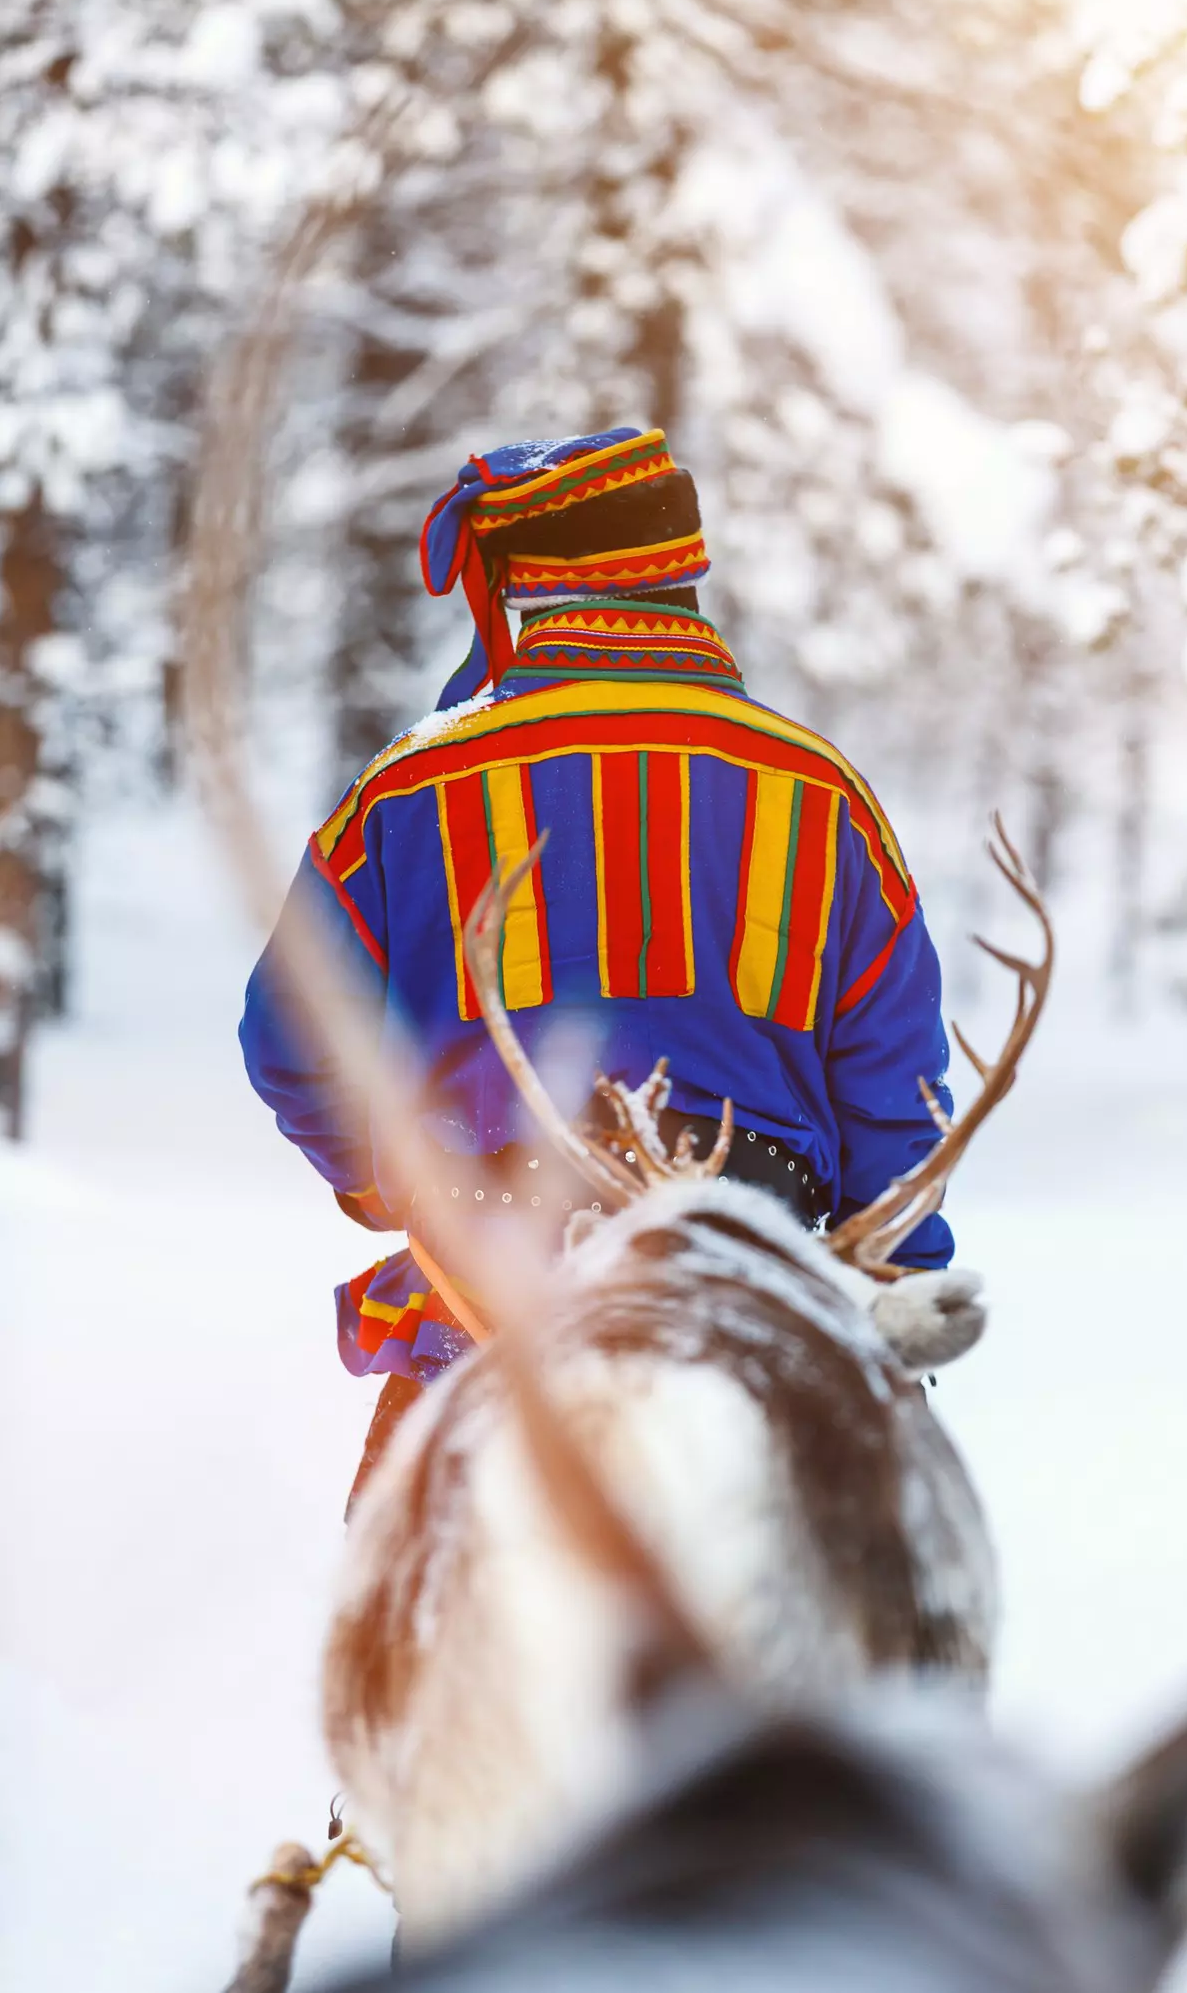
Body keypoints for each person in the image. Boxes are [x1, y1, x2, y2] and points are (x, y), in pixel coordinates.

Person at [240, 428, 954, 1502]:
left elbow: (290, 1041)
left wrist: (386, 1182)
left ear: (529, 598)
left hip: (493, 1286)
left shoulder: (405, 792)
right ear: (679, 583)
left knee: (393, 1629)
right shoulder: (823, 795)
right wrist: (897, 1280)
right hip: (754, 1276)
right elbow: (894, 1095)